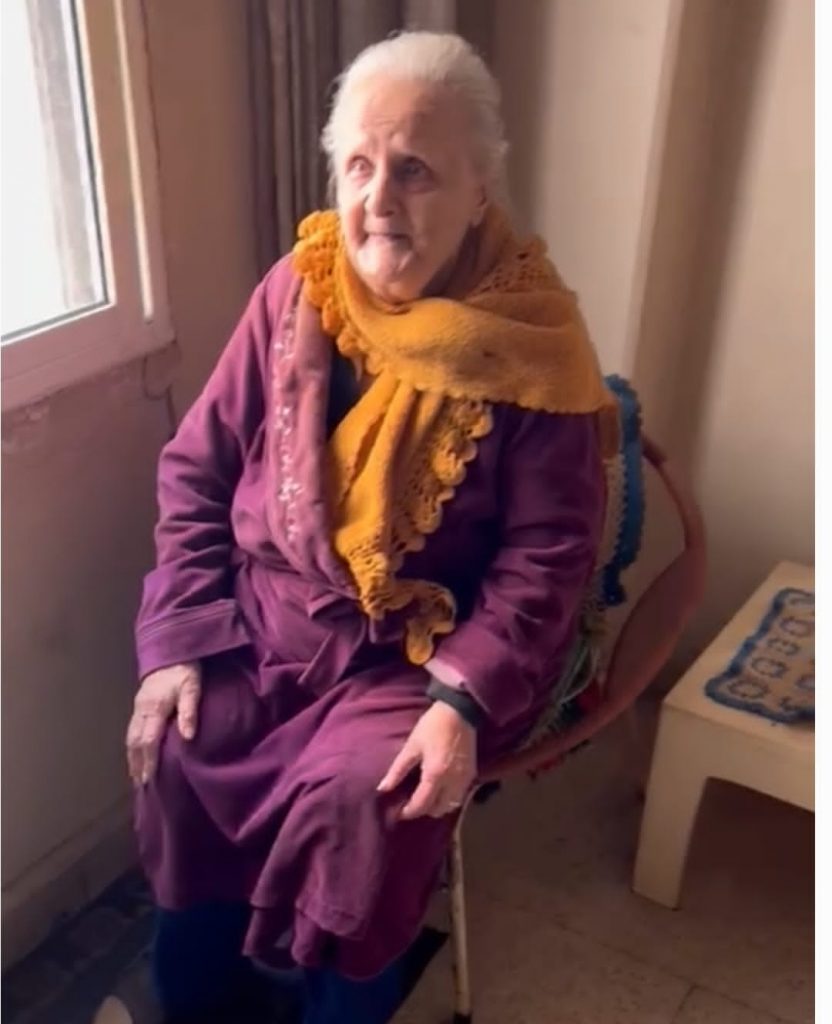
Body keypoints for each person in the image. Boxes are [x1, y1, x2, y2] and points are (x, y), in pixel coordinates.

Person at [125, 30, 616, 1024]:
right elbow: (198, 469)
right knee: (182, 744)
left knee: (367, 803)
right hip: (265, 626)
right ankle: (200, 1002)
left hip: (414, 657)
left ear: (479, 190)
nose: (379, 198)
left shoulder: (531, 340)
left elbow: (550, 553)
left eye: (415, 169)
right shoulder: (296, 289)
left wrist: (461, 703)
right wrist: (178, 642)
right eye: (359, 165)